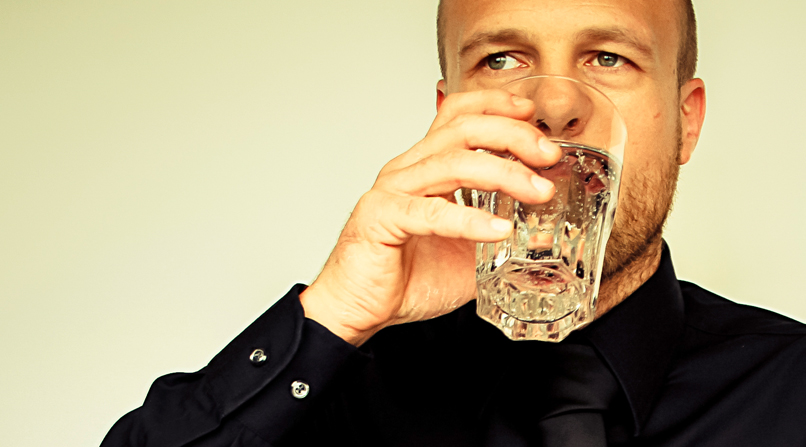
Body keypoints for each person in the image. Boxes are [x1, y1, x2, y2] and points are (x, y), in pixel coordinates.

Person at [101, 0, 806, 445]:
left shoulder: (791, 387)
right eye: (503, 59)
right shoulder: (335, 399)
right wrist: (332, 315)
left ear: (686, 121)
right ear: (448, 111)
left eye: (608, 57)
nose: (555, 108)